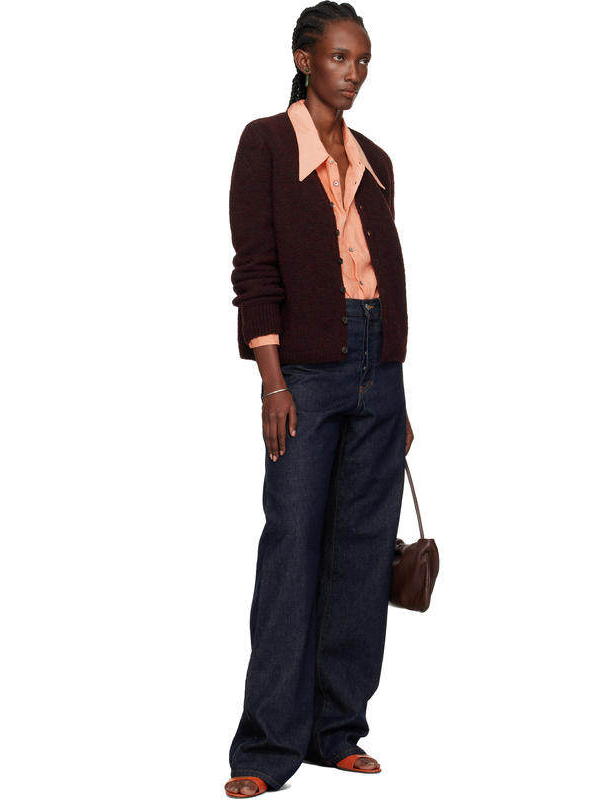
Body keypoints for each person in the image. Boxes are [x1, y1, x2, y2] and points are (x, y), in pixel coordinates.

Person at [224, 3, 413, 796]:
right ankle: (266, 748)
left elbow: (380, 274)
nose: (354, 73)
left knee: (363, 557)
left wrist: (395, 393)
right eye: (340, 57)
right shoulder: (267, 143)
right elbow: (255, 269)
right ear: (305, 59)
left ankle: (336, 731)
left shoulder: (377, 159)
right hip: (303, 370)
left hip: (379, 368)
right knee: (292, 549)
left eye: (363, 60)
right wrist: (272, 379)